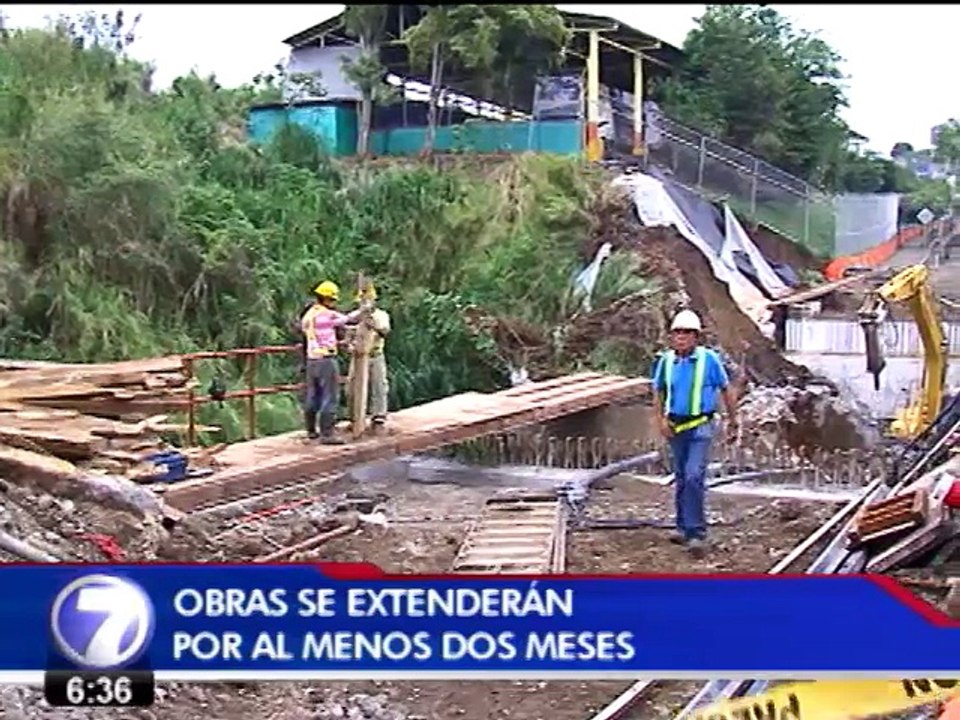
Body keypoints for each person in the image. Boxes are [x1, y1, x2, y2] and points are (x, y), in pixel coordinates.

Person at [651, 309, 739, 558]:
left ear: (696, 337)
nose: (681, 338)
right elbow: (658, 392)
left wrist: (734, 421)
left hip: (701, 426)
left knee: (693, 476)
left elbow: (725, 389)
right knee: (681, 477)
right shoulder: (666, 361)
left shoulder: (708, 360)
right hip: (676, 427)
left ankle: (697, 532)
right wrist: (660, 420)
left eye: (687, 333)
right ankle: (682, 526)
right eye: (677, 333)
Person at [300, 280, 363, 444]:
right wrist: (363, 309)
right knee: (330, 396)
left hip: (311, 359)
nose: (334, 303)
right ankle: (327, 434)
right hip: (326, 360)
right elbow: (348, 319)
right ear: (327, 299)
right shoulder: (326, 315)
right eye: (333, 300)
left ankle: (311, 431)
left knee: (313, 395)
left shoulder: (309, 315)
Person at [355, 282, 391, 426]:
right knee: (354, 386)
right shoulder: (357, 317)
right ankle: (356, 414)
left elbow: (385, 332)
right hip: (358, 356)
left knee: (379, 384)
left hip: (375, 353)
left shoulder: (381, 315)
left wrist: (373, 325)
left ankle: (379, 413)